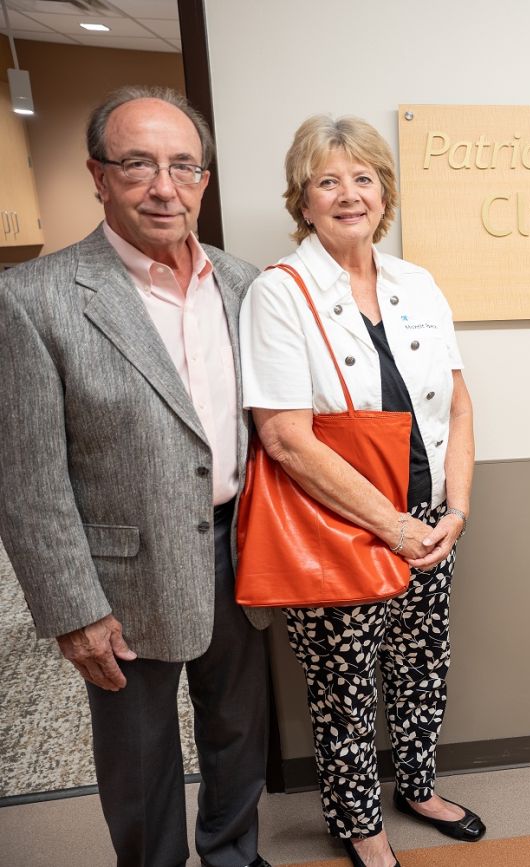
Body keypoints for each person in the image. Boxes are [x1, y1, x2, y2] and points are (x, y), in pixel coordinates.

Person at [0, 87, 272, 867]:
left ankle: (233, 854)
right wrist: (73, 609)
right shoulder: (33, 299)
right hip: (121, 573)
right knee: (142, 757)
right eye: (138, 164)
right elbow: (27, 482)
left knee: (237, 731)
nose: (164, 186)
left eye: (183, 166)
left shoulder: (245, 286)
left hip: (237, 550)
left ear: (204, 180)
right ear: (98, 175)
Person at [240, 115, 481, 867]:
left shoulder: (418, 283)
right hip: (339, 528)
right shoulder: (279, 293)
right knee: (343, 687)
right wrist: (395, 528)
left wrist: (455, 509)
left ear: (386, 193)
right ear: (302, 200)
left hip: (429, 522)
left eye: (364, 178)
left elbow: (460, 404)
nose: (350, 194)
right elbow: (285, 437)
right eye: (328, 180)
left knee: (420, 664)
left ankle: (416, 783)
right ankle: (359, 823)